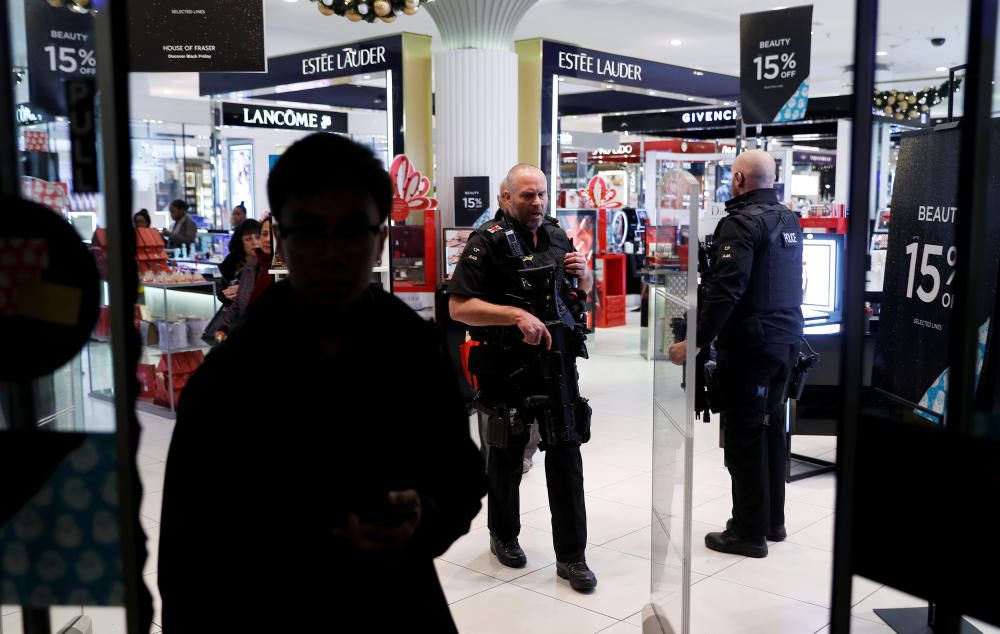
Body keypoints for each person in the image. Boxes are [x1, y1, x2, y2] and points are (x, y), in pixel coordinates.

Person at [159, 132, 486, 632]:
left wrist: (423, 517)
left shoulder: (414, 349)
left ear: (380, 239)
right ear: (280, 240)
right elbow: (186, 559)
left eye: (352, 231)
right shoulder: (230, 377)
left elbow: (461, 479)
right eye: (310, 232)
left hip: (396, 602)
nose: (331, 254)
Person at [449, 163, 597, 592]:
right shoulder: (486, 243)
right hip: (506, 367)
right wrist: (514, 315)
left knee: (567, 458)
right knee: (507, 458)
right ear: (505, 198)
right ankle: (503, 534)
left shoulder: (556, 234)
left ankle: (573, 557)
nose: (536, 203)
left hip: (558, 365)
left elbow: (577, 293)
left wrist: (583, 273)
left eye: (541, 194)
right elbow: (460, 307)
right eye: (527, 196)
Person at [668, 149, 804, 559]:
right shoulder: (788, 219)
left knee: (745, 436)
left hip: (751, 346)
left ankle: (747, 531)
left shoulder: (740, 224)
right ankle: (772, 522)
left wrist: (695, 341)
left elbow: (727, 291)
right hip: (787, 341)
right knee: (772, 431)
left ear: (739, 180)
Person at [212, 219, 262, 342]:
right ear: (240, 241)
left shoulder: (267, 262)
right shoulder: (231, 262)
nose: (255, 242)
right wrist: (224, 293)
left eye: (257, 237)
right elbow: (221, 289)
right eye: (248, 239)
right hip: (234, 322)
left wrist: (244, 291)